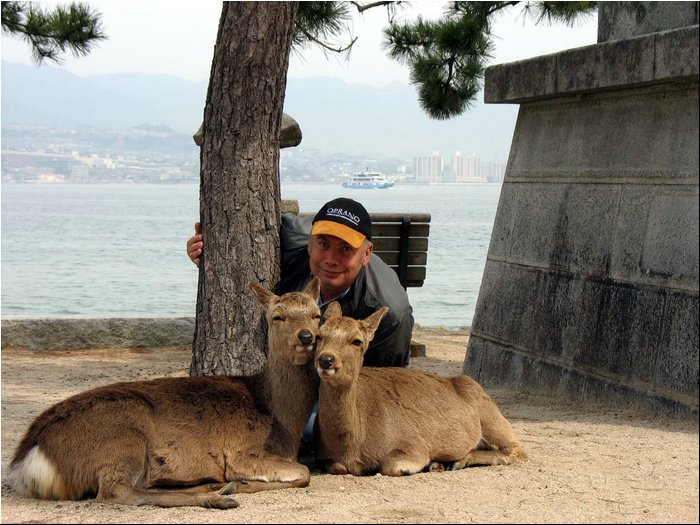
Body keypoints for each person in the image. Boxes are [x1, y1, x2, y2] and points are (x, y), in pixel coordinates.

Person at [187, 197, 414, 367]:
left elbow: (384, 379)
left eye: (345, 249)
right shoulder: (287, 247)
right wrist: (208, 255)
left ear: (366, 254)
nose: (330, 260)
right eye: (323, 244)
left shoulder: (390, 315)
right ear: (309, 244)